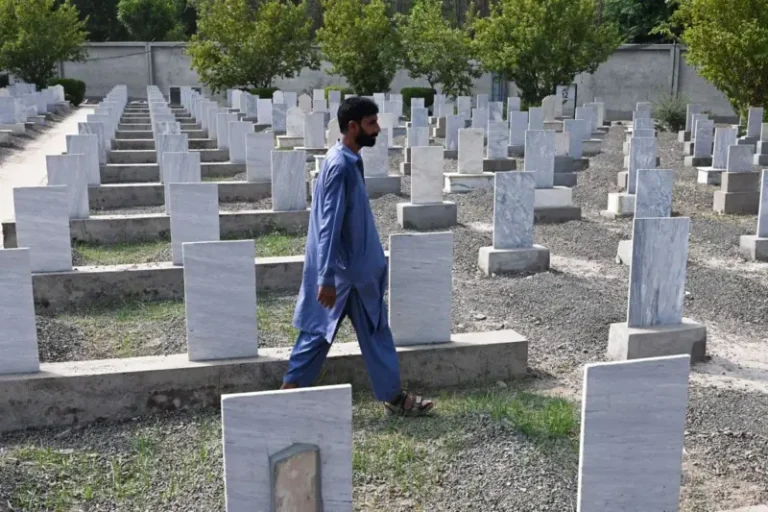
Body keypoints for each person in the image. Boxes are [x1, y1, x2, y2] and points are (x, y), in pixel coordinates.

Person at [280, 97, 434, 416]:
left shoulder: (350, 160)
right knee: (316, 335)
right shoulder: (339, 166)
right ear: (353, 127)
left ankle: (393, 398)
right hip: (341, 276)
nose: (377, 129)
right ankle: (287, 396)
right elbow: (328, 224)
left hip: (359, 275)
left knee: (376, 332)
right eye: (371, 123)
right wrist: (325, 278)